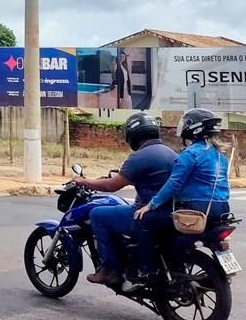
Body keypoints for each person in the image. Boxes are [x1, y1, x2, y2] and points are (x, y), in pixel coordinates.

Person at [73, 112, 177, 285]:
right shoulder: (171, 153)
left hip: (147, 213)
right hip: (171, 212)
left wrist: (84, 181)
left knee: (98, 215)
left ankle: (110, 270)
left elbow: (111, 186)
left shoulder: (140, 157)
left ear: (133, 134)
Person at [134, 108, 231, 278]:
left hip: (197, 208)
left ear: (192, 128)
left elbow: (174, 183)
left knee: (145, 220)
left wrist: (151, 204)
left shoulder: (191, 153)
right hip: (222, 209)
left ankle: (146, 270)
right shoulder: (219, 155)